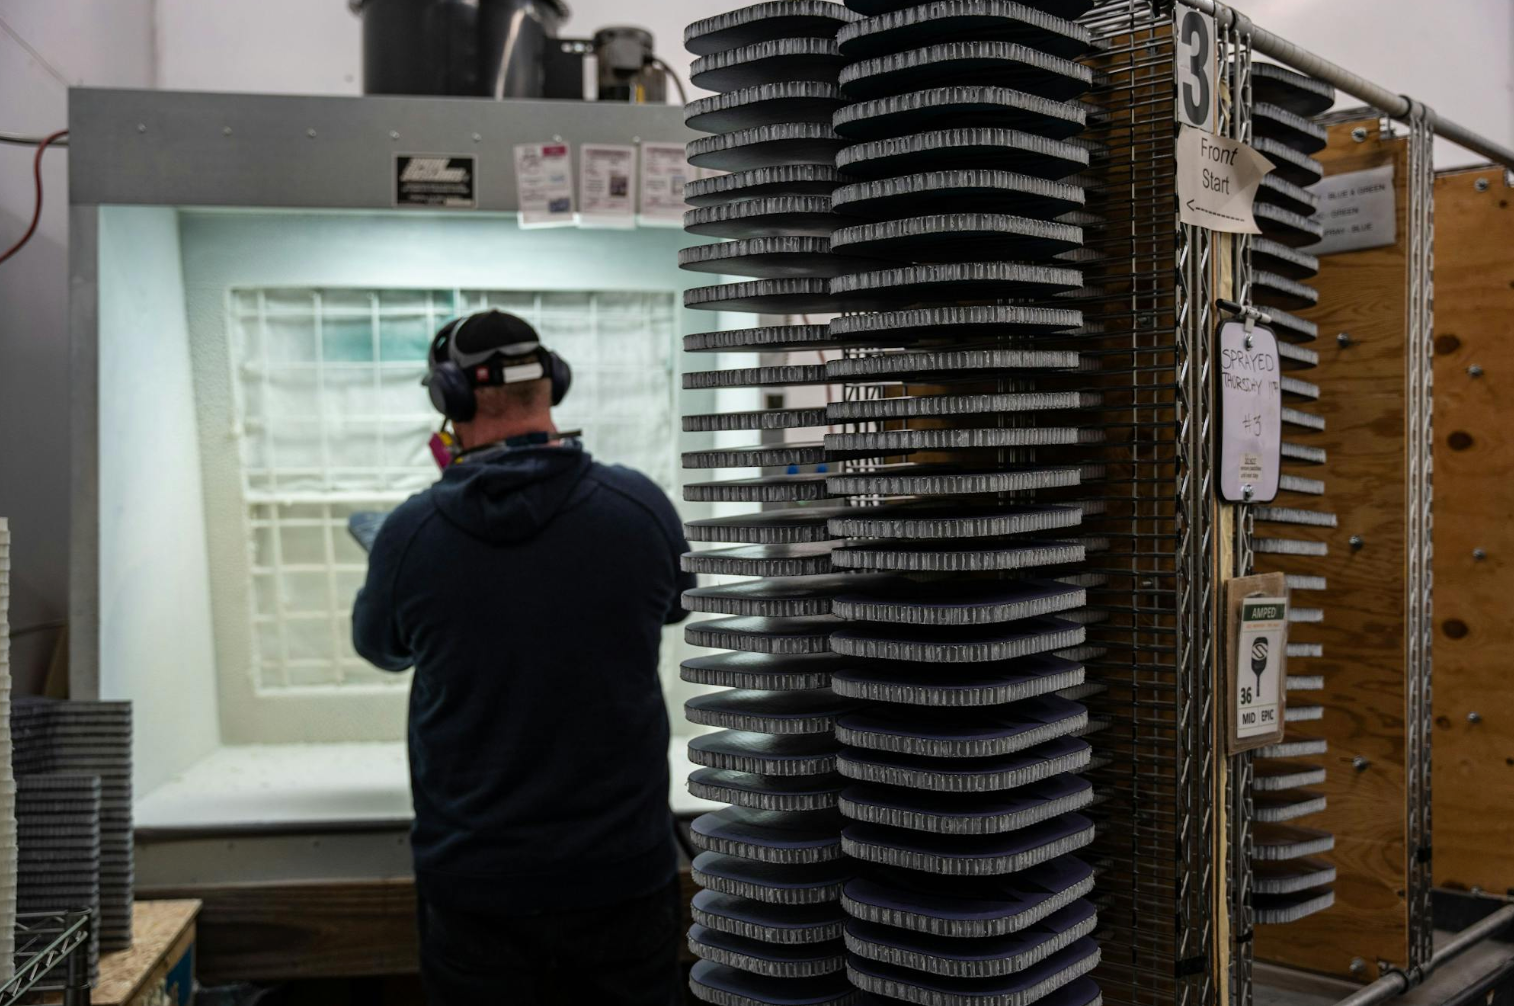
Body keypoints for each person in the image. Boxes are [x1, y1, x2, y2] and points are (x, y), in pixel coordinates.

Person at [352, 309, 694, 1006]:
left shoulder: (411, 534)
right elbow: (673, 606)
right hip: (622, 877)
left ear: (448, 399)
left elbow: (383, 651)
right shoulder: (640, 507)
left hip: (478, 888)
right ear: (554, 385)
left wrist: (399, 557)